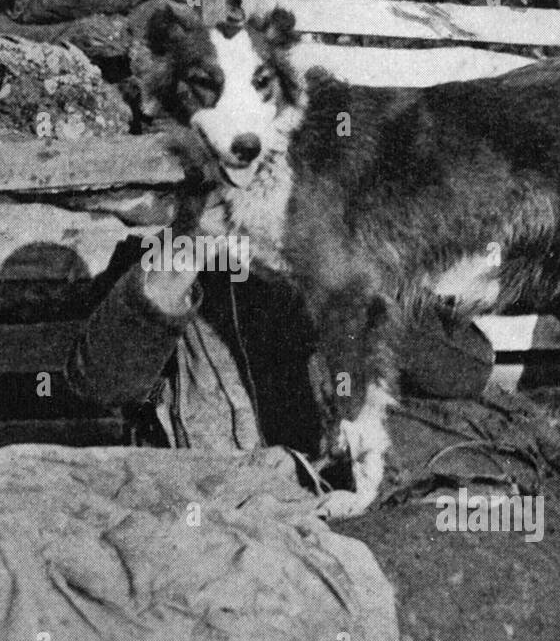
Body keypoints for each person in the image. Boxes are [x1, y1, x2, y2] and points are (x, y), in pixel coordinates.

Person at [66, 175, 494, 459]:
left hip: (326, 499)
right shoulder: (151, 263)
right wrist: (185, 251)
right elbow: (100, 383)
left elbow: (463, 372)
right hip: (211, 510)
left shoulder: (334, 256)